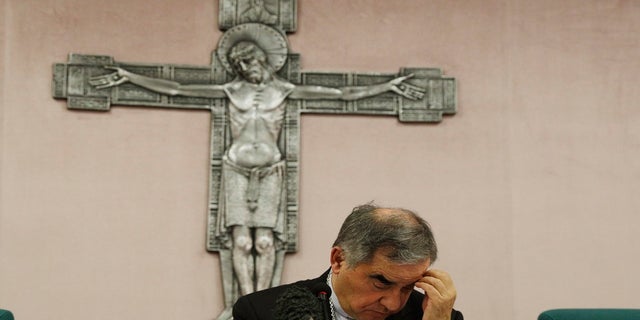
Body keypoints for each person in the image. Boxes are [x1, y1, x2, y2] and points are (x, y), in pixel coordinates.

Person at [89, 42, 424, 300]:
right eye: (239, 65)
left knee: (264, 243)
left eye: (248, 62)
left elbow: (340, 93)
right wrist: (129, 76)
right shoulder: (231, 90)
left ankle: (263, 301)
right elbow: (178, 88)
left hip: (269, 172)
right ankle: (245, 302)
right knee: (239, 241)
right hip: (235, 168)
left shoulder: (283, 90)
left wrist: (388, 86)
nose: (245, 69)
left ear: (262, 61)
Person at [232, 203, 463, 320]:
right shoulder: (263, 313)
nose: (393, 304)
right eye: (382, 282)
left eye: (408, 286)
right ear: (339, 259)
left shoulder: (434, 317)